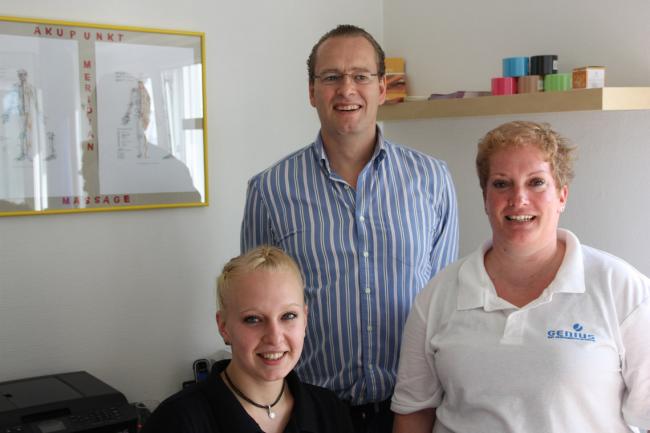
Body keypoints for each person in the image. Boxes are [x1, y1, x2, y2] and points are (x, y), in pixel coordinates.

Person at [240, 24, 459, 433]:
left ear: (382, 87)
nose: (346, 89)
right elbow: (252, 311)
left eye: (361, 75)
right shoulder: (270, 190)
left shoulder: (432, 181)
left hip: (411, 409)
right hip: (309, 411)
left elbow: (444, 306)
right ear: (312, 91)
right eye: (331, 77)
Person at [391, 121, 650, 433]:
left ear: (562, 196)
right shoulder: (437, 295)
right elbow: (414, 412)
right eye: (502, 184)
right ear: (485, 198)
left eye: (536, 183)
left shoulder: (622, 290)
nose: (518, 199)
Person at [141, 246, 354, 433]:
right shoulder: (176, 421)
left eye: (288, 316)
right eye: (253, 319)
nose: (274, 337)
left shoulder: (330, 411)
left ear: (305, 319)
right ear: (223, 326)